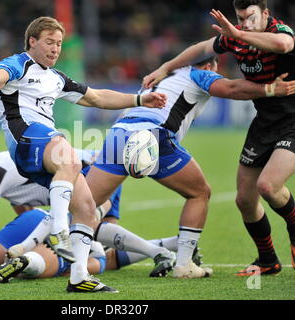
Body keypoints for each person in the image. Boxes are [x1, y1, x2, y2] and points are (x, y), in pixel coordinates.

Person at [0, 16, 166, 293]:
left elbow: (96, 97)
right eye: (49, 42)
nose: (55, 48)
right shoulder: (18, 64)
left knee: (87, 209)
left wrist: (138, 99)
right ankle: (59, 230)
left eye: (59, 43)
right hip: (26, 140)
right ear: (32, 42)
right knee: (69, 157)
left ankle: (79, 277)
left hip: (43, 149)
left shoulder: (56, 78)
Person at [85, 51, 295, 279]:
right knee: (199, 193)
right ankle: (184, 264)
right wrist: (269, 89)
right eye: (215, 69)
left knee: (84, 204)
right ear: (209, 66)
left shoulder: (162, 75)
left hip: (120, 133)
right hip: (152, 135)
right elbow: (232, 89)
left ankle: (59, 248)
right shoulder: (199, 74)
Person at [142, 0, 295, 275]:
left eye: (251, 17)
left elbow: (283, 45)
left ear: (266, 13)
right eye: (241, 18)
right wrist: (166, 66)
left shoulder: (279, 31)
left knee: (268, 187)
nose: (245, 23)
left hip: (293, 120)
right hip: (264, 122)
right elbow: (199, 50)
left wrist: (237, 33)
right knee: (244, 200)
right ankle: (268, 260)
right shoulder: (234, 38)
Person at [0, 150, 176, 278]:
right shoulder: (3, 180)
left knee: (88, 230)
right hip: (97, 170)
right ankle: (176, 245)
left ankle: (162, 251)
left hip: (93, 171)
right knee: (103, 255)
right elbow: (29, 215)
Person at [0, 207, 189, 284]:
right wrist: (179, 245)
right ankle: (29, 264)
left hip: (37, 216)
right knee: (83, 265)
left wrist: (174, 245)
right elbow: (119, 251)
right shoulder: (104, 257)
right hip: (72, 231)